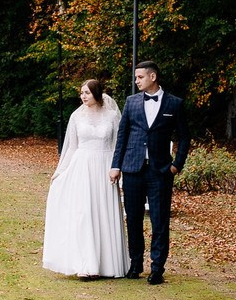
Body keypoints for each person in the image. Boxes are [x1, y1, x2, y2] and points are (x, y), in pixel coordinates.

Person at [108, 61, 190, 284]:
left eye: (140, 77)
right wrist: (116, 165)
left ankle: (157, 268)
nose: (136, 81)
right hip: (132, 168)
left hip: (160, 171)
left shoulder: (174, 104)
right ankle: (135, 264)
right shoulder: (131, 102)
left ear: (153, 77)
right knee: (133, 218)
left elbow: (184, 137)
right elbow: (122, 136)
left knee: (159, 220)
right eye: (136, 77)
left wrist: (176, 165)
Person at [42, 79, 126, 278]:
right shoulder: (76, 116)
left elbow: (117, 145)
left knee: (104, 211)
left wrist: (117, 168)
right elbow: (71, 146)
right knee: (84, 213)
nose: (83, 96)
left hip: (105, 167)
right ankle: (85, 264)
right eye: (81, 93)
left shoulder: (113, 116)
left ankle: (107, 264)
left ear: (96, 93)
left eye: (87, 92)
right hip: (82, 167)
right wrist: (60, 171)